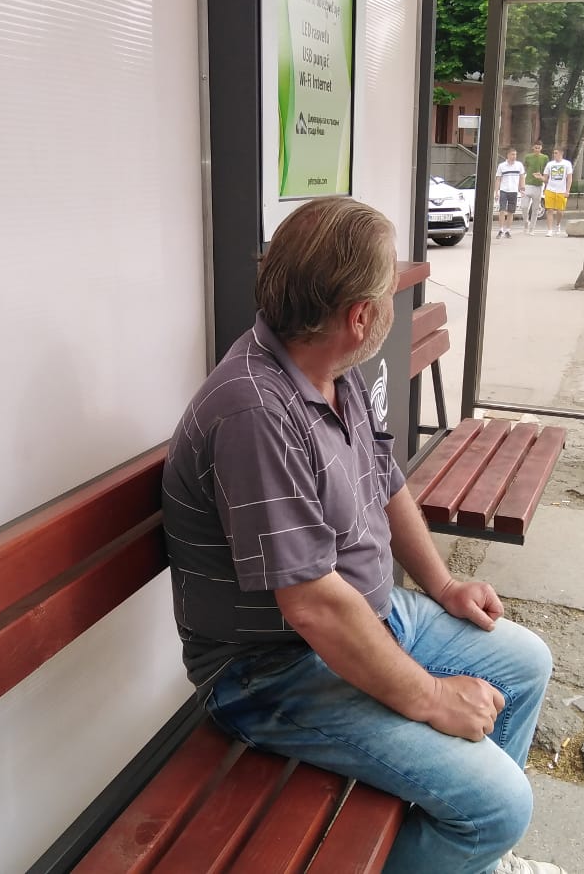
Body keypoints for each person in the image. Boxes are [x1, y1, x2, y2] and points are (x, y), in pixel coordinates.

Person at [162, 197, 562, 874]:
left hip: (365, 618)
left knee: (524, 663)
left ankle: (473, 863)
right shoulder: (255, 412)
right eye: (390, 288)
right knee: (497, 806)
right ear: (359, 316)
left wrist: (443, 584)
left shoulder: (326, 371)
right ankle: (474, 846)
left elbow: (386, 481)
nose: (395, 298)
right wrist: (432, 698)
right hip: (268, 672)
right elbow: (313, 605)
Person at [493, 148, 525, 239]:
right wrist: (496, 192)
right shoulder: (502, 166)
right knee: (502, 210)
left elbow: (522, 177)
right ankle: (501, 230)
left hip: (513, 191)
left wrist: (522, 189)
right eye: (512, 154)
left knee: (511, 212)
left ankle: (508, 230)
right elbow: (498, 179)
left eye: (515, 154)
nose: (514, 156)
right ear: (508, 155)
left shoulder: (519, 165)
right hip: (504, 190)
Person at [541, 148, 573, 237]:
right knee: (549, 210)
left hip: (561, 191)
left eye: (556, 153)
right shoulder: (550, 164)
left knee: (560, 211)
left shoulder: (567, 164)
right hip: (550, 189)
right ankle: (549, 230)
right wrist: (540, 177)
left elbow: (569, 178)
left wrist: (567, 191)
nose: (554, 155)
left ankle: (558, 224)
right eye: (554, 153)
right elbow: (545, 178)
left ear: (561, 153)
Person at [521, 141, 548, 234]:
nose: (537, 149)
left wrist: (542, 178)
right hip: (528, 183)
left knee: (536, 208)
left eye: (539, 148)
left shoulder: (545, 158)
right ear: (533, 147)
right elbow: (525, 168)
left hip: (538, 184)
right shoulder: (528, 157)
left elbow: (546, 171)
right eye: (536, 148)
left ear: (541, 148)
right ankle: (526, 222)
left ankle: (532, 228)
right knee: (524, 206)